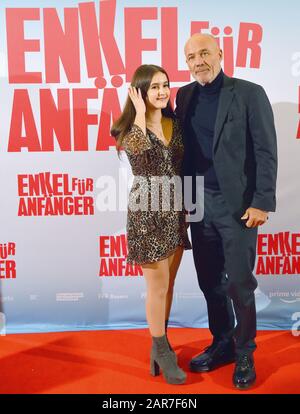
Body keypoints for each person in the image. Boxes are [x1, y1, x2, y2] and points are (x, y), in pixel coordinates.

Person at [176, 34, 277, 389]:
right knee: (209, 283)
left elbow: (265, 151)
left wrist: (263, 201)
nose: (198, 61)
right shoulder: (184, 96)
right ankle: (222, 343)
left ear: (220, 53)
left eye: (204, 53)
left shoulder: (250, 93)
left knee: (238, 283)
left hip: (238, 208)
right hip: (199, 204)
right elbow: (182, 152)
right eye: (191, 56)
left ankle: (245, 350)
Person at [111, 64, 191, 385]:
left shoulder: (177, 124)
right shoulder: (128, 128)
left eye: (165, 85)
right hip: (147, 213)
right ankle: (162, 350)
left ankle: (161, 343)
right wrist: (141, 115)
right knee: (156, 288)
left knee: (168, 284)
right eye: (154, 86)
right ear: (140, 92)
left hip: (176, 211)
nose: (161, 92)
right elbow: (143, 162)